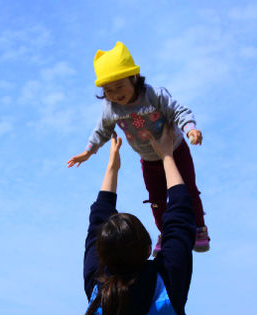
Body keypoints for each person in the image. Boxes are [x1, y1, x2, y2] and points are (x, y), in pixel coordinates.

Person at [67, 41, 209, 255]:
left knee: (187, 189)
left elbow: (177, 110)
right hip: (149, 159)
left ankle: (199, 228)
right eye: (108, 90)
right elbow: (102, 130)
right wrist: (89, 151)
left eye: (119, 86)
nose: (115, 94)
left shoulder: (153, 95)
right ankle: (165, 232)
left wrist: (190, 129)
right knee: (156, 198)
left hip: (175, 149)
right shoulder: (111, 108)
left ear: (134, 77)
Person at [69, 125, 195, 315]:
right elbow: (180, 219)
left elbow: (180, 216)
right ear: (148, 249)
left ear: (102, 256)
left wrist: (112, 168)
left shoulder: (97, 290)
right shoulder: (167, 283)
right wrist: (166, 155)